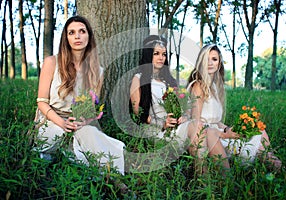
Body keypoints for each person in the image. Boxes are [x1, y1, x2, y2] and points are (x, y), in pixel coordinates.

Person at [33, 15, 125, 175]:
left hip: (77, 123)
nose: (77, 36)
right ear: (66, 38)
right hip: (51, 119)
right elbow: (41, 103)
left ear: (89, 36)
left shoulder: (98, 71)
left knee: (89, 135)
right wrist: (62, 123)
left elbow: (91, 108)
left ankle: (115, 179)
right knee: (60, 136)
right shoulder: (51, 62)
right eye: (71, 32)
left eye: (82, 31)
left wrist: (84, 120)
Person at [129, 35, 229, 173]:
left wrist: (183, 116)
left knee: (198, 126)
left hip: (174, 126)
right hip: (155, 129)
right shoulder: (138, 79)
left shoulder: (168, 80)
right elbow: (137, 112)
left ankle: (208, 172)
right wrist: (162, 123)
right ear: (148, 55)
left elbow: (180, 108)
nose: (161, 58)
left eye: (163, 54)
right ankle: (202, 176)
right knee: (197, 126)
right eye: (156, 54)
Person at [186, 44, 282, 170]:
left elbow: (216, 121)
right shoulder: (198, 86)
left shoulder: (214, 87)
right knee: (268, 158)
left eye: (214, 59)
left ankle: (267, 161)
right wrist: (224, 134)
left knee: (258, 130)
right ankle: (267, 164)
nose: (210, 63)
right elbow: (196, 123)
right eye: (206, 59)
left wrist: (231, 129)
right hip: (209, 137)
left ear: (219, 63)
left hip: (218, 131)